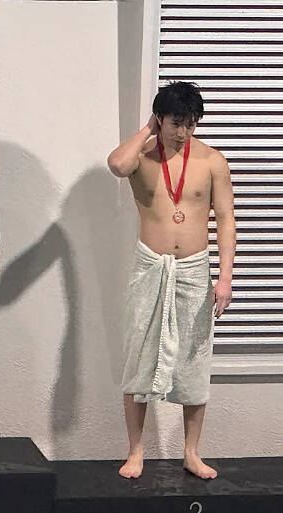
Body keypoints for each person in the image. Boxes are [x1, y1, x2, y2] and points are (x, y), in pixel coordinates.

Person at [107, 81, 235, 480]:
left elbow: (226, 220)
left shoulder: (212, 160)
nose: (183, 132)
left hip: (195, 268)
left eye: (191, 123)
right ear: (160, 118)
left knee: (194, 361)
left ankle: (191, 452)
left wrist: (225, 278)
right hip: (151, 265)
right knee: (138, 358)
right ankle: (135, 451)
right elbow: (117, 165)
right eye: (176, 122)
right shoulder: (142, 156)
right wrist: (148, 129)